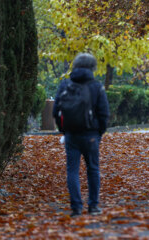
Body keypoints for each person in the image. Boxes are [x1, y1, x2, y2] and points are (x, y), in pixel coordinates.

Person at [52, 53, 109, 217]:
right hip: (91, 134)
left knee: (72, 170)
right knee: (93, 169)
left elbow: (56, 111)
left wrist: (64, 130)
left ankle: (76, 207)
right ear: (92, 67)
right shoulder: (96, 86)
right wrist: (99, 133)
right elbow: (104, 113)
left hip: (71, 134)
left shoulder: (65, 85)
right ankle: (93, 206)